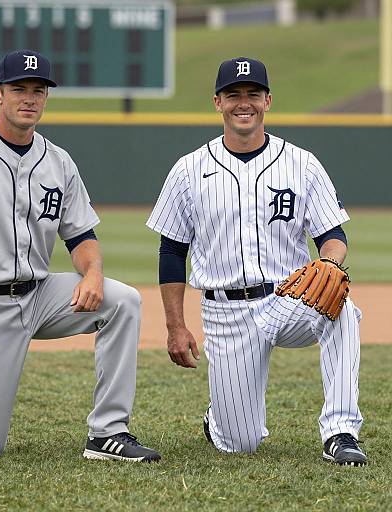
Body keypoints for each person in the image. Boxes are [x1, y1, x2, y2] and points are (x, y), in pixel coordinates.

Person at [0, 49, 160, 463]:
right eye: (18, 89)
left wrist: (93, 273)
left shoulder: (58, 161)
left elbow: (81, 236)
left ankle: (107, 433)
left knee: (123, 300)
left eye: (38, 90)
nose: (29, 98)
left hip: (40, 295)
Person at [146, 57, 366, 466]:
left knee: (342, 308)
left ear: (267, 100)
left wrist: (330, 265)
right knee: (240, 442)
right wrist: (176, 326)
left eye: (252, 95)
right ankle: (219, 420)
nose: (242, 103)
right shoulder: (189, 170)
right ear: (218, 102)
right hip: (226, 311)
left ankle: (340, 431)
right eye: (233, 95)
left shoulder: (302, 164)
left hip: (288, 298)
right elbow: (172, 252)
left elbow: (332, 237)